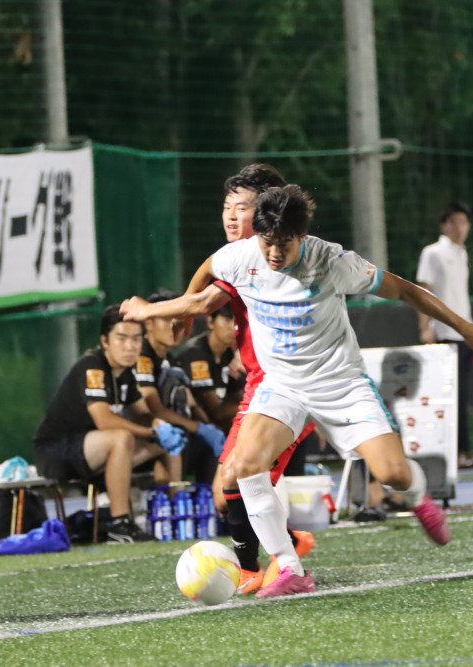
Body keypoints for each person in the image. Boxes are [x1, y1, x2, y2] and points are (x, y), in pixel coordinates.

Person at [122, 184, 473, 597]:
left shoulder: (332, 261)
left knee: (391, 473)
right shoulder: (243, 256)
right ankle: (290, 569)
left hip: (341, 383)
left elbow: (406, 290)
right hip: (283, 386)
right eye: (266, 242)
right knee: (243, 466)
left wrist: (466, 328)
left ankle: (417, 495)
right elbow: (205, 280)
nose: (273, 253)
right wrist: (156, 310)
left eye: (283, 244)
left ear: (302, 237)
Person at [129, 164, 317, 594]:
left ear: (267, 213)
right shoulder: (243, 256)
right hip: (262, 384)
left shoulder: (261, 257)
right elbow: (208, 281)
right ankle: (283, 550)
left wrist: (150, 310)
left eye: (243, 207)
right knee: (229, 489)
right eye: (227, 207)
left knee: (234, 480)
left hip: (287, 388)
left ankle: (267, 566)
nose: (232, 216)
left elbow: (203, 300)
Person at [33, 305, 186, 543]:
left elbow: (143, 413)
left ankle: (177, 512)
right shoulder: (92, 366)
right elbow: (104, 421)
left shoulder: (125, 372)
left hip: (94, 452)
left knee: (167, 442)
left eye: (136, 339)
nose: (130, 346)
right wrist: (151, 431)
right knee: (121, 438)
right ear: (105, 341)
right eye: (122, 338)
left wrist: (162, 427)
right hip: (56, 452)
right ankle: (119, 523)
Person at [135, 289, 227, 484]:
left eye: (179, 320)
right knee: (175, 441)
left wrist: (209, 428)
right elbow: (153, 408)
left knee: (213, 446)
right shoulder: (141, 355)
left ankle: (210, 500)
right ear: (148, 322)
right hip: (147, 434)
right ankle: (173, 500)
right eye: (168, 320)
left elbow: (191, 404)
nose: (175, 327)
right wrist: (198, 427)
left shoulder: (171, 360)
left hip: (176, 432)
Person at [416, 201, 473, 469]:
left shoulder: (462, 254)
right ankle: (451, 454)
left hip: (464, 334)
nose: (459, 228)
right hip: (443, 334)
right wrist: (425, 327)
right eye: (453, 222)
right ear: (443, 225)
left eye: (463, 222)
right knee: (447, 397)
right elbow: (423, 291)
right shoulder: (433, 253)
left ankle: (461, 452)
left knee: (461, 396)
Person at [175, 301, 243, 431]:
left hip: (215, 426)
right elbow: (214, 412)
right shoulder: (196, 354)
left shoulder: (229, 354)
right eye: (227, 319)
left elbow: (238, 397)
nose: (234, 327)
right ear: (210, 322)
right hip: (190, 428)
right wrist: (254, 408)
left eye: (238, 321)